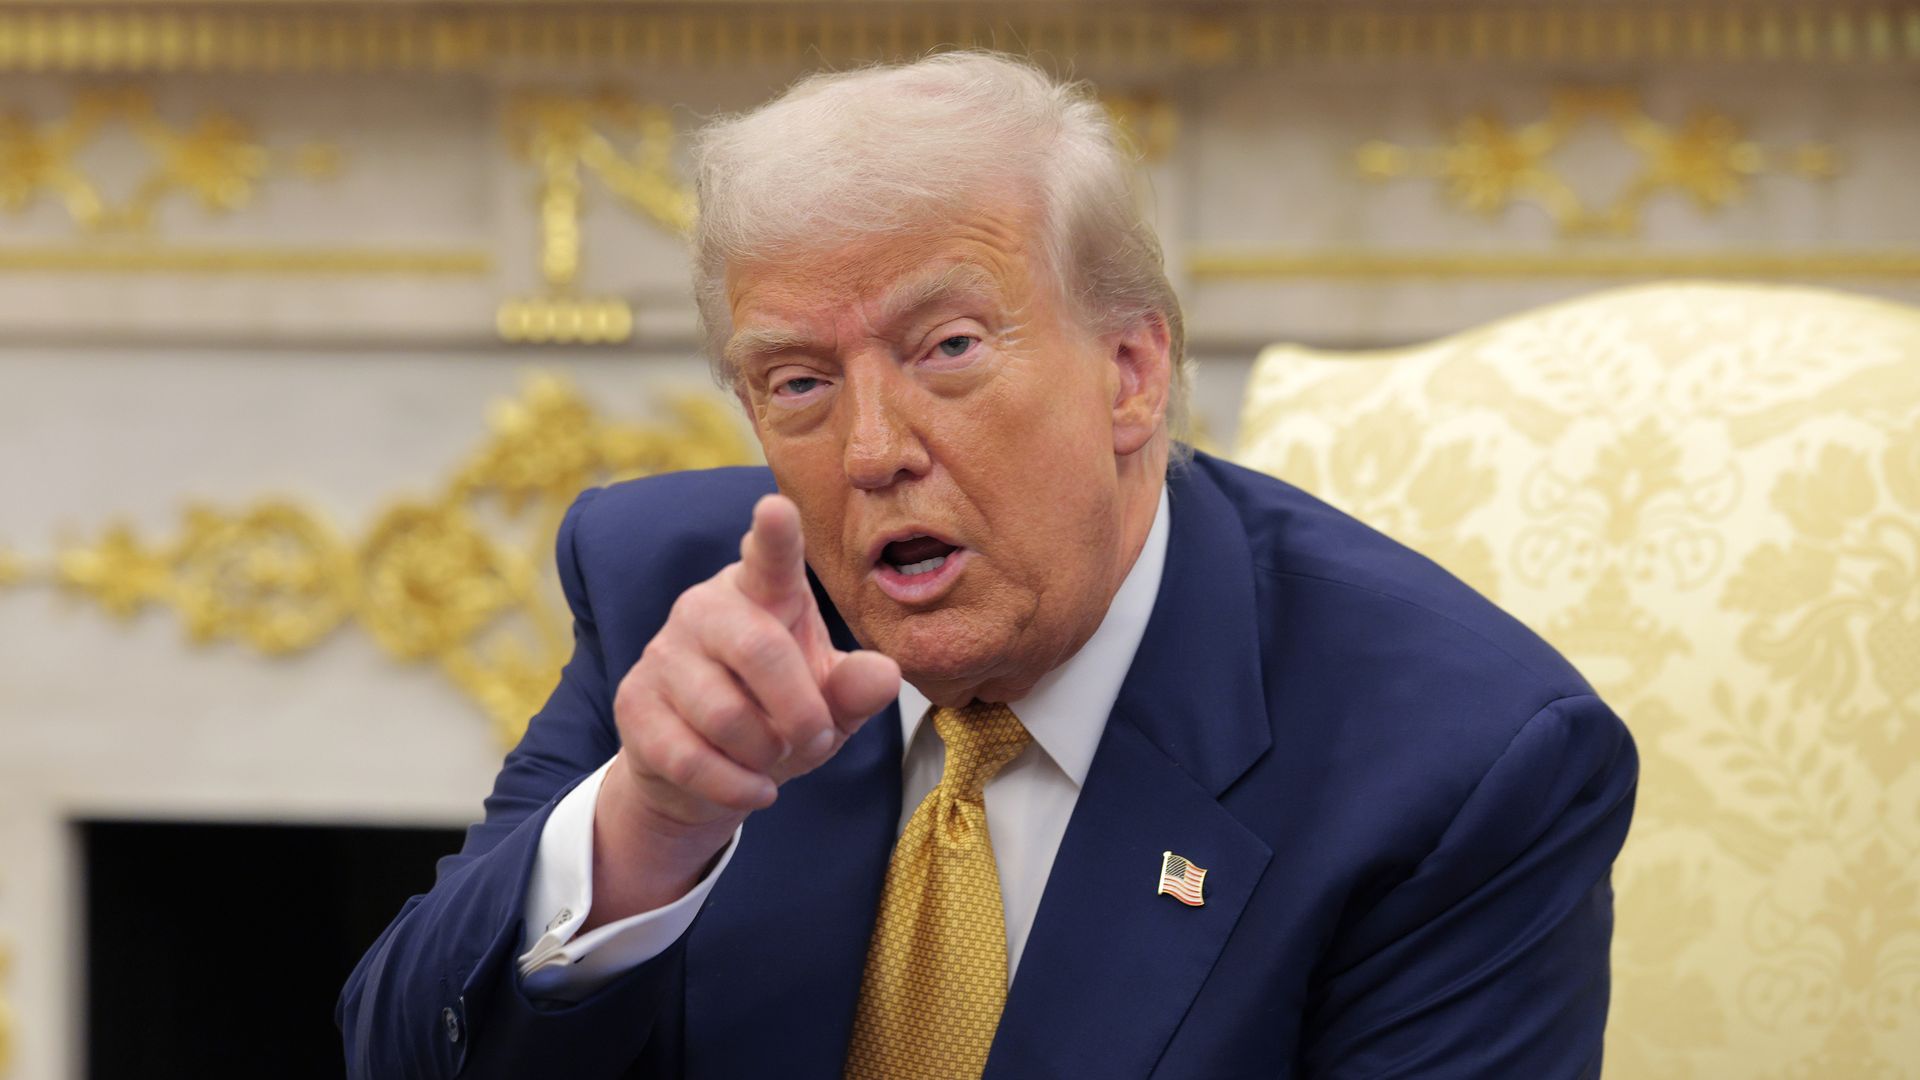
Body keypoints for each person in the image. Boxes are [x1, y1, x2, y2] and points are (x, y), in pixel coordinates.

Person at [339, 51, 1637, 1078]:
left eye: (948, 347)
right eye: (796, 382)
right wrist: (646, 828)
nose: (870, 451)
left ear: (1131, 373)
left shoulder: (1457, 766)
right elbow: (396, 1053)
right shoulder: (683, 603)